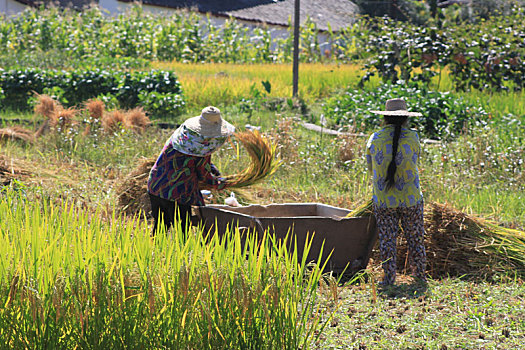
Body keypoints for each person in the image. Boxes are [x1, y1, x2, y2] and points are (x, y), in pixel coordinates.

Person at [365, 98, 427, 286]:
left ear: (384, 118)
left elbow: (371, 168)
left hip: (384, 200)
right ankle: (419, 276)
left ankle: (389, 279)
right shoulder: (413, 137)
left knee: (387, 240)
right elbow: (416, 160)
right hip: (411, 198)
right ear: (406, 119)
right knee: (415, 239)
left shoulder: (374, 138)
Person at [147, 106, 235, 236]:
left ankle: (154, 252)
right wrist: (222, 184)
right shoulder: (202, 147)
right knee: (183, 230)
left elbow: (188, 159)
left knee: (160, 226)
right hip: (177, 192)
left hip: (156, 184)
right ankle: (183, 254)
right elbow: (204, 177)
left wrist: (211, 167)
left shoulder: (184, 136)